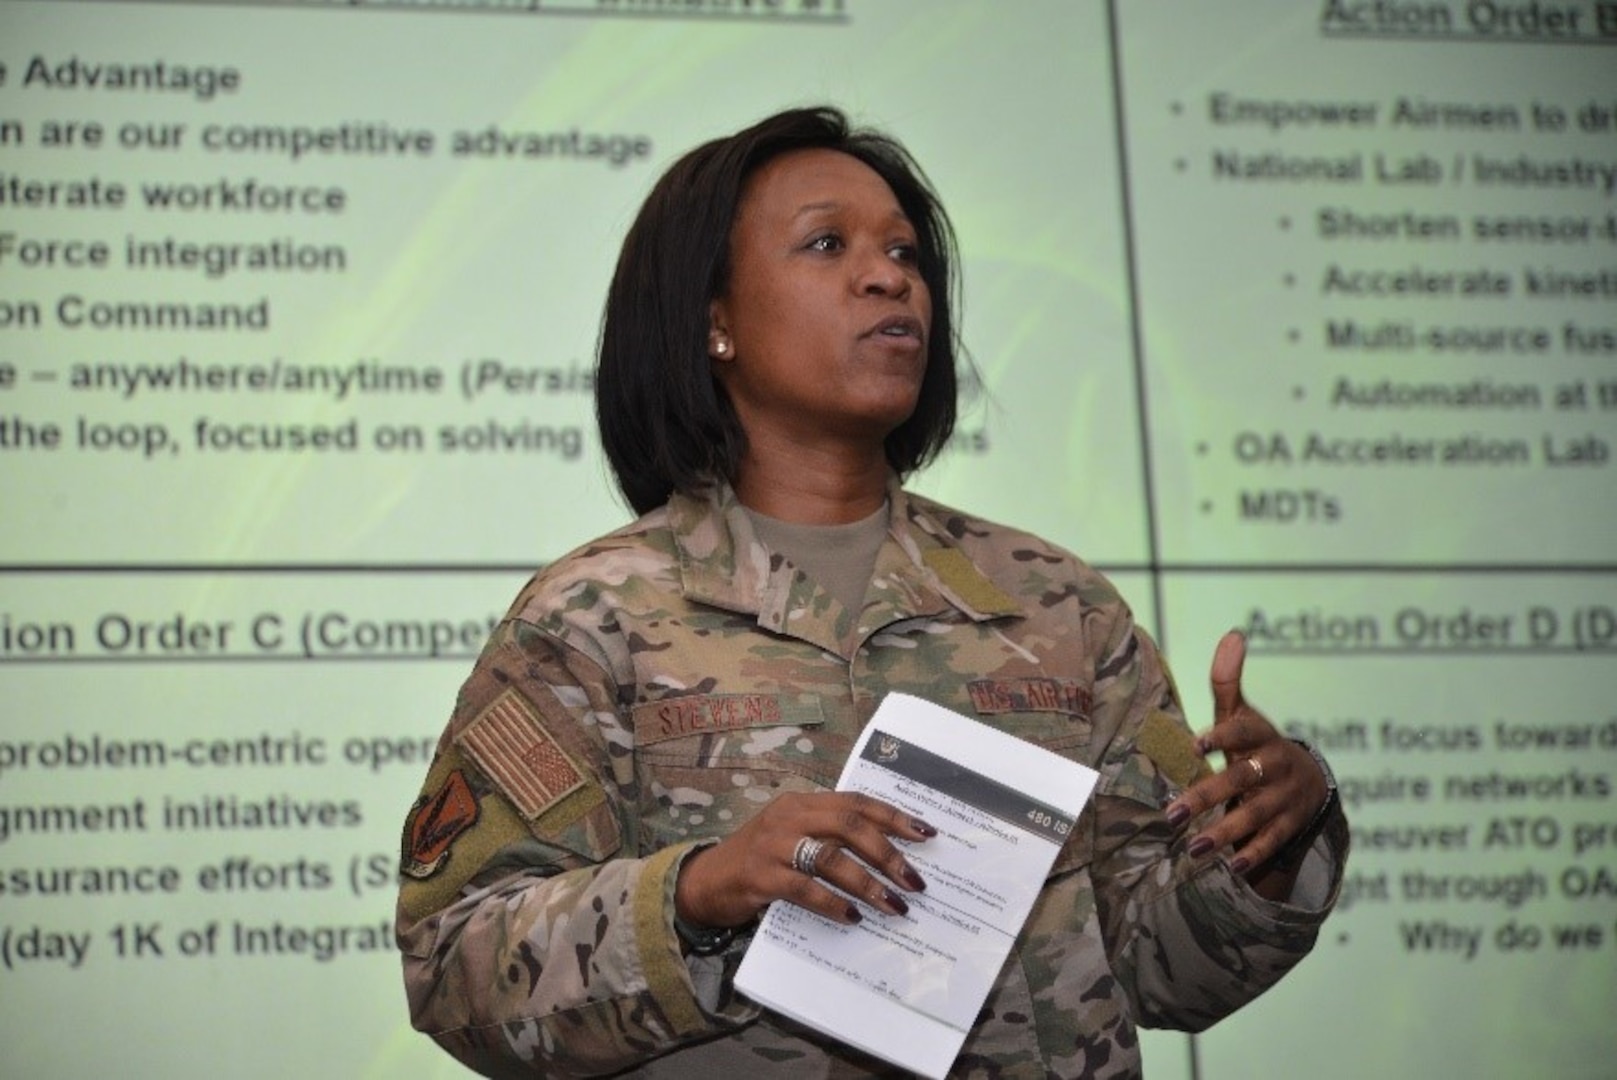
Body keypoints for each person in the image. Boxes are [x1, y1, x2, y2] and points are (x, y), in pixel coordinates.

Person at [396, 105, 1347, 1079]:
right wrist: (700, 893)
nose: (890, 274)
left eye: (905, 252)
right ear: (712, 320)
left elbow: (1164, 973)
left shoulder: (1062, 609)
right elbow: (455, 967)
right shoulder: (591, 619)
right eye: (826, 244)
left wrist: (1275, 836)